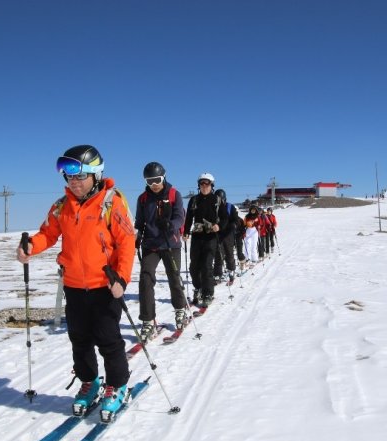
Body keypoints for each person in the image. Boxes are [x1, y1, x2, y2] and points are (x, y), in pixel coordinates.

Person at [16, 144, 135, 421]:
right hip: (73, 284)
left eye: (78, 176)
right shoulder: (62, 206)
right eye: (68, 176)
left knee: (108, 339)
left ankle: (116, 385)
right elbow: (48, 234)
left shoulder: (112, 201)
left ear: (94, 175)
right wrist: (30, 247)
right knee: (79, 339)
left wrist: (122, 278)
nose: (73, 181)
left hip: (105, 285)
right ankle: (89, 381)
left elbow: (126, 241)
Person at [134, 162, 187, 339]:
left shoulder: (174, 194)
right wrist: (137, 235)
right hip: (151, 245)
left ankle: (180, 309)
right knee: (145, 279)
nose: (154, 184)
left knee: (173, 277)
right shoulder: (142, 199)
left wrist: (171, 225)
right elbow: (139, 222)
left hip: (170, 243)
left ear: (163, 177)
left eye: (157, 180)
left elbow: (180, 217)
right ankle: (148, 320)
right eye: (150, 181)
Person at [183, 173, 228, 307]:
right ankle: (198, 288)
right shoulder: (194, 200)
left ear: (211, 185)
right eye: (201, 184)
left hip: (211, 238)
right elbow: (189, 218)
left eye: (206, 183)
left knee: (207, 266)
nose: (204, 186)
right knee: (193, 267)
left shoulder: (217, 200)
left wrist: (218, 226)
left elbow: (225, 218)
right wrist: (185, 232)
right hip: (197, 237)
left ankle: (208, 294)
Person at [212, 188, 239, 284]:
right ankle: (217, 274)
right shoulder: (213, 208)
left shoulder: (230, 207)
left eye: (220, 199)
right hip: (217, 234)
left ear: (224, 199)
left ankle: (231, 270)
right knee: (218, 255)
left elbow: (236, 220)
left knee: (229, 253)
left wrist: (234, 225)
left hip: (228, 234)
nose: (219, 201)